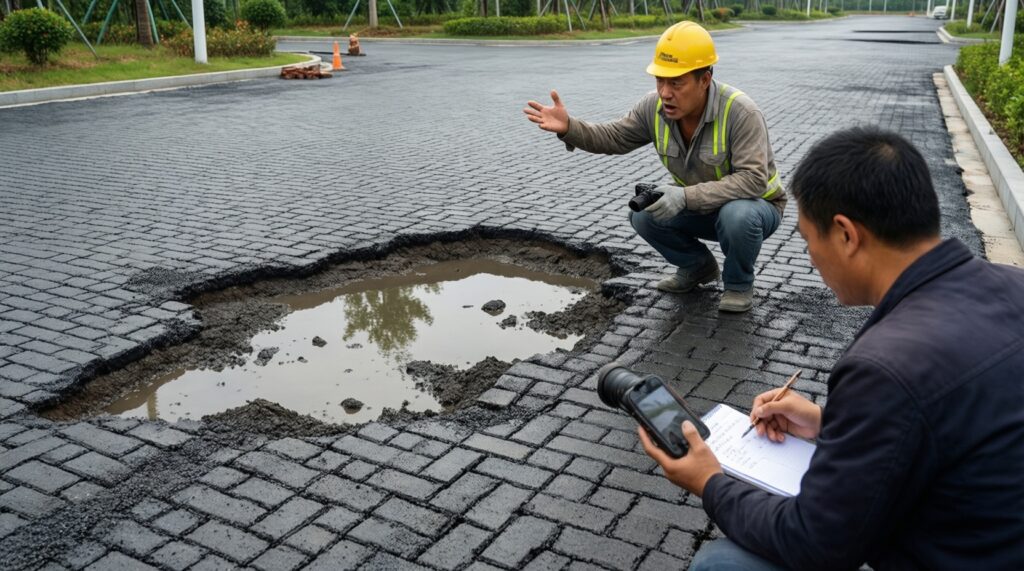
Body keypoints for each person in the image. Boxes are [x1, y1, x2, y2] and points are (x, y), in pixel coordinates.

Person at [636, 126, 1024, 570]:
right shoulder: (1014, 285)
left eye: (807, 239)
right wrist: (828, 424)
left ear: (845, 234)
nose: (811, 258)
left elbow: (814, 543)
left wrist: (710, 482)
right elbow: (951, 420)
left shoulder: (887, 366)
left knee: (722, 565)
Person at [524, 22, 784, 313]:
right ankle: (697, 267)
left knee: (737, 215)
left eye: (676, 83)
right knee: (645, 215)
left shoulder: (740, 112)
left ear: (705, 79)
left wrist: (684, 197)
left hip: (757, 208)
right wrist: (570, 127)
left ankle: (738, 284)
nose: (665, 92)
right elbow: (614, 137)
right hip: (703, 205)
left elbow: (753, 180)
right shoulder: (654, 107)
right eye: (660, 80)